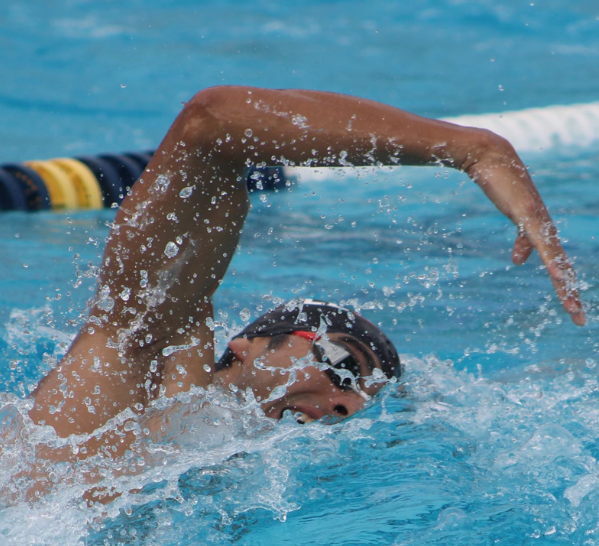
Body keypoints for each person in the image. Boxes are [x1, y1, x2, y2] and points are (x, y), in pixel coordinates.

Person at [27, 85, 585, 450]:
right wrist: (474, 150)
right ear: (246, 345)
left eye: (360, 403)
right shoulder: (142, 363)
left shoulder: (233, 478)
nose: (346, 403)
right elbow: (212, 123)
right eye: (345, 367)